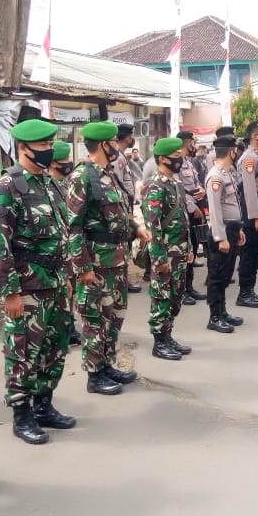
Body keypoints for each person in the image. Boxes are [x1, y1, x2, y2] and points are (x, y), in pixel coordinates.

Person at [0, 120, 75, 445]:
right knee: (23, 352)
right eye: (42, 146)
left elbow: (62, 235)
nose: (49, 151)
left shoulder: (51, 184)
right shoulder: (7, 188)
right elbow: (1, 245)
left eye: (51, 144)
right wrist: (9, 292)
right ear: (23, 148)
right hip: (26, 288)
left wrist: (66, 275)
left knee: (54, 349)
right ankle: (22, 415)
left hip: (55, 282)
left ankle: (44, 405)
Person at [67, 121, 150, 395]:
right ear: (104, 145)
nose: (118, 146)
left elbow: (117, 215)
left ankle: (106, 364)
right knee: (95, 319)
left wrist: (136, 227)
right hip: (96, 263)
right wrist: (83, 267)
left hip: (116, 260)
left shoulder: (109, 173)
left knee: (115, 316)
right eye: (114, 142)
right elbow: (73, 226)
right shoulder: (82, 177)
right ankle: (94, 375)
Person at [143, 137, 193, 360]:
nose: (179, 160)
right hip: (164, 253)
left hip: (179, 251)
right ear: (162, 159)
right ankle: (159, 341)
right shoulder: (155, 187)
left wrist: (189, 248)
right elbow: (153, 227)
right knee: (162, 295)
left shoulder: (175, 184)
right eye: (175, 156)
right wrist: (160, 258)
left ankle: (168, 334)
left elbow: (183, 220)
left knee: (176, 295)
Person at [204, 134, 246, 333]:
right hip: (222, 232)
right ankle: (214, 316)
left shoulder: (228, 173)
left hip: (232, 228)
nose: (237, 153)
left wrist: (239, 230)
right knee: (217, 275)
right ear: (231, 151)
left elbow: (233, 204)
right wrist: (221, 238)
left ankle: (222, 312)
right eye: (235, 150)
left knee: (227, 274)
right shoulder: (216, 176)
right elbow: (215, 210)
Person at [48, 140, 82, 348]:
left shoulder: (66, 184)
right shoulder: (49, 187)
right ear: (53, 163)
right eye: (64, 160)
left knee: (72, 288)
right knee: (64, 289)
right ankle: (64, 326)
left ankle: (69, 322)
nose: (69, 163)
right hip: (59, 249)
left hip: (71, 246)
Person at [235, 120, 258, 308]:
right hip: (253, 208)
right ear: (254, 136)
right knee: (250, 253)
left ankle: (251, 289)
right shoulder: (249, 157)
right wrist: (256, 217)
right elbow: (249, 190)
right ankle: (244, 293)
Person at [176, 130, 208, 305]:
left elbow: (194, 184)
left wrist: (201, 189)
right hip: (186, 211)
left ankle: (189, 287)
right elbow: (179, 190)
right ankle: (181, 290)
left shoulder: (189, 162)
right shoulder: (177, 161)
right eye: (192, 143)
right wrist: (192, 208)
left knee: (194, 248)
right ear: (186, 143)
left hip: (196, 208)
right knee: (186, 250)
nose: (194, 146)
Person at [110, 123, 141, 294]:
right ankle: (121, 281)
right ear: (126, 138)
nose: (132, 140)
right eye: (130, 136)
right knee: (124, 245)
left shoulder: (122, 156)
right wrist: (127, 209)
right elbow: (117, 184)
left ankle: (123, 279)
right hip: (122, 206)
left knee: (126, 245)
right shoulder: (117, 158)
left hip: (126, 204)